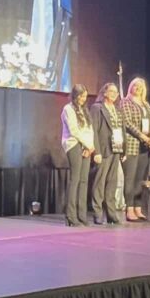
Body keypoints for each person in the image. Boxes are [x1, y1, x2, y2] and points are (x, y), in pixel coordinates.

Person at [118, 77, 150, 222]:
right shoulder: (125, 102)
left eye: (141, 86)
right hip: (132, 145)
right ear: (130, 87)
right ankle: (129, 209)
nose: (138, 88)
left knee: (140, 179)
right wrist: (143, 137)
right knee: (130, 178)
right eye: (135, 85)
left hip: (145, 147)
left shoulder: (145, 105)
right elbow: (127, 123)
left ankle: (138, 208)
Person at [90, 82, 125, 226]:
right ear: (104, 92)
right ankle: (97, 213)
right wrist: (96, 151)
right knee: (99, 182)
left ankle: (111, 214)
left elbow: (121, 130)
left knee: (112, 182)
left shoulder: (117, 110)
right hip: (103, 150)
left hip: (116, 149)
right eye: (111, 91)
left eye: (116, 92)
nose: (114, 94)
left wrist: (124, 150)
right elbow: (93, 130)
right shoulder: (97, 108)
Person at [61, 84, 94, 227]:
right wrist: (87, 144)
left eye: (85, 96)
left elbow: (89, 129)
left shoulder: (84, 110)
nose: (83, 99)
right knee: (75, 180)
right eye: (81, 96)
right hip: (74, 144)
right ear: (75, 96)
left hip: (86, 146)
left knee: (84, 180)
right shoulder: (68, 109)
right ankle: (71, 215)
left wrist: (90, 147)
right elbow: (73, 130)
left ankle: (82, 215)